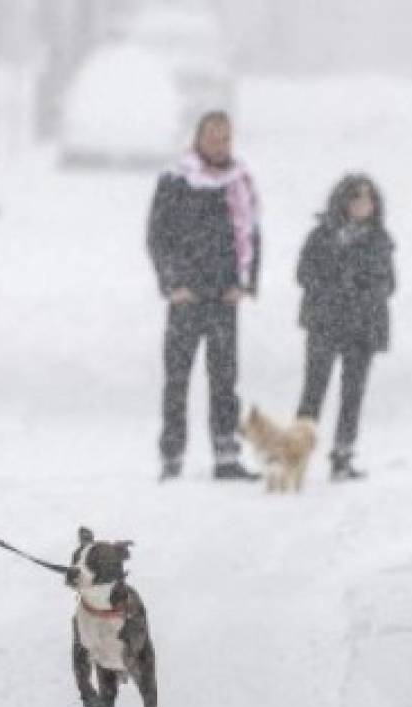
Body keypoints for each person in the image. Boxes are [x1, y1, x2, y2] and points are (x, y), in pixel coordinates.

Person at [147, 110, 262, 482]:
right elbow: (158, 236)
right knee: (177, 380)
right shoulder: (176, 181)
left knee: (225, 379)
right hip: (187, 297)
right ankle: (172, 456)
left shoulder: (239, 181)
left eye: (226, 137)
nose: (220, 144)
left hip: (224, 295)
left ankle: (226, 453)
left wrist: (245, 283)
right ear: (198, 138)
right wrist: (171, 283)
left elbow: (251, 232)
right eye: (213, 137)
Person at [295, 173, 396, 481]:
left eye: (368, 199)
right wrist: (335, 289)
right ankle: (297, 452)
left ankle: (343, 453)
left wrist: (359, 292)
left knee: (353, 393)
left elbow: (387, 283)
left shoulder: (379, 240)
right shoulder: (322, 236)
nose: (362, 205)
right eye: (356, 198)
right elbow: (305, 274)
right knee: (314, 390)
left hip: (362, 327)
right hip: (325, 323)